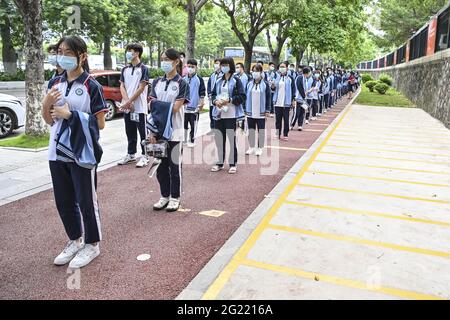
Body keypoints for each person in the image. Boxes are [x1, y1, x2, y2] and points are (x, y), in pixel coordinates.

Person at [41, 36, 108, 269]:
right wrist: (46, 103)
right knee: (64, 201)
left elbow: (100, 124)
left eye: (68, 52)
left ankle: (92, 244)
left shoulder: (92, 86)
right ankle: (75, 239)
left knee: (86, 200)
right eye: (60, 51)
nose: (63, 56)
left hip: (81, 153)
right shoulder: (54, 83)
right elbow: (49, 120)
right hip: (56, 152)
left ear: (82, 56)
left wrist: (71, 115)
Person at [149, 48, 190, 212]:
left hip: (175, 131)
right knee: (160, 166)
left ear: (176, 61)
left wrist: (157, 105)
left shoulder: (182, 83)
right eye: (162, 59)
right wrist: (152, 130)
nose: (164, 62)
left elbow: (176, 108)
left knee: (174, 166)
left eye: (167, 59)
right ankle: (164, 195)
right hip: (158, 131)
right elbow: (151, 106)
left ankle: (175, 197)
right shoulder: (156, 82)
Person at [117, 43, 150, 168]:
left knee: (143, 132)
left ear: (137, 53)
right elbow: (122, 85)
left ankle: (145, 155)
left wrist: (130, 102)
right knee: (129, 131)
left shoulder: (143, 69)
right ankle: (131, 154)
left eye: (130, 51)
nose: (128, 53)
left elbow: (141, 87)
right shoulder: (125, 69)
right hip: (127, 108)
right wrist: (126, 102)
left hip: (139, 107)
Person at [211, 57, 246, 174]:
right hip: (219, 114)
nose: (223, 67)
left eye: (225, 65)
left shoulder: (236, 80)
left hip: (231, 114)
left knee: (231, 139)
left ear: (230, 66)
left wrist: (230, 100)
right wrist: (215, 101)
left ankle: (232, 163)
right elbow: (213, 94)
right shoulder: (218, 80)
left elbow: (242, 96)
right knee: (220, 139)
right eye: (222, 65)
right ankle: (220, 163)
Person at [245, 64, 271, 156]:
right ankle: (251, 147)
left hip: (261, 111)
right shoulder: (249, 83)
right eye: (253, 71)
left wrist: (267, 110)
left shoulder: (265, 84)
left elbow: (268, 98)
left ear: (261, 72)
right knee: (251, 129)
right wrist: (244, 108)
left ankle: (260, 148)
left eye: (257, 71)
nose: (255, 73)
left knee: (261, 130)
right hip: (250, 111)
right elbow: (245, 96)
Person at [183, 58, 206, 147]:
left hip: (194, 107)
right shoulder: (183, 79)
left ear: (196, 67)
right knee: (184, 125)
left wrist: (201, 104)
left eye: (192, 67)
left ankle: (192, 141)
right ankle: (184, 140)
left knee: (194, 125)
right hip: (184, 108)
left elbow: (202, 93)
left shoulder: (199, 79)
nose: (190, 68)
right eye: (189, 66)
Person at [272, 61, 295, 140]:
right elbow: (273, 89)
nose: (282, 68)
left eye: (283, 67)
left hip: (286, 102)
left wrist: (293, 100)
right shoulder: (276, 77)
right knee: (278, 119)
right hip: (277, 101)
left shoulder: (290, 78)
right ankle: (277, 134)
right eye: (280, 67)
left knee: (286, 119)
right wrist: (272, 86)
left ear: (287, 68)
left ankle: (285, 134)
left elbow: (293, 89)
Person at [292, 67, 313, 131]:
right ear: (307, 72)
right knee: (296, 113)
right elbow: (299, 87)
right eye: (309, 72)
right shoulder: (300, 77)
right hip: (298, 98)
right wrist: (304, 95)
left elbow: (305, 89)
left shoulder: (305, 79)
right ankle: (292, 124)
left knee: (302, 112)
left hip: (303, 99)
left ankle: (300, 125)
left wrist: (305, 95)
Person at [207, 58, 222, 134]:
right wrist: (209, 94)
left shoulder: (223, 75)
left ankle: (217, 129)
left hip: (219, 99)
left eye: (218, 63)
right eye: (215, 63)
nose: (216, 65)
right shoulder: (213, 75)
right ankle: (212, 128)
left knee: (218, 114)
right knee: (211, 114)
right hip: (212, 99)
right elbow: (209, 85)